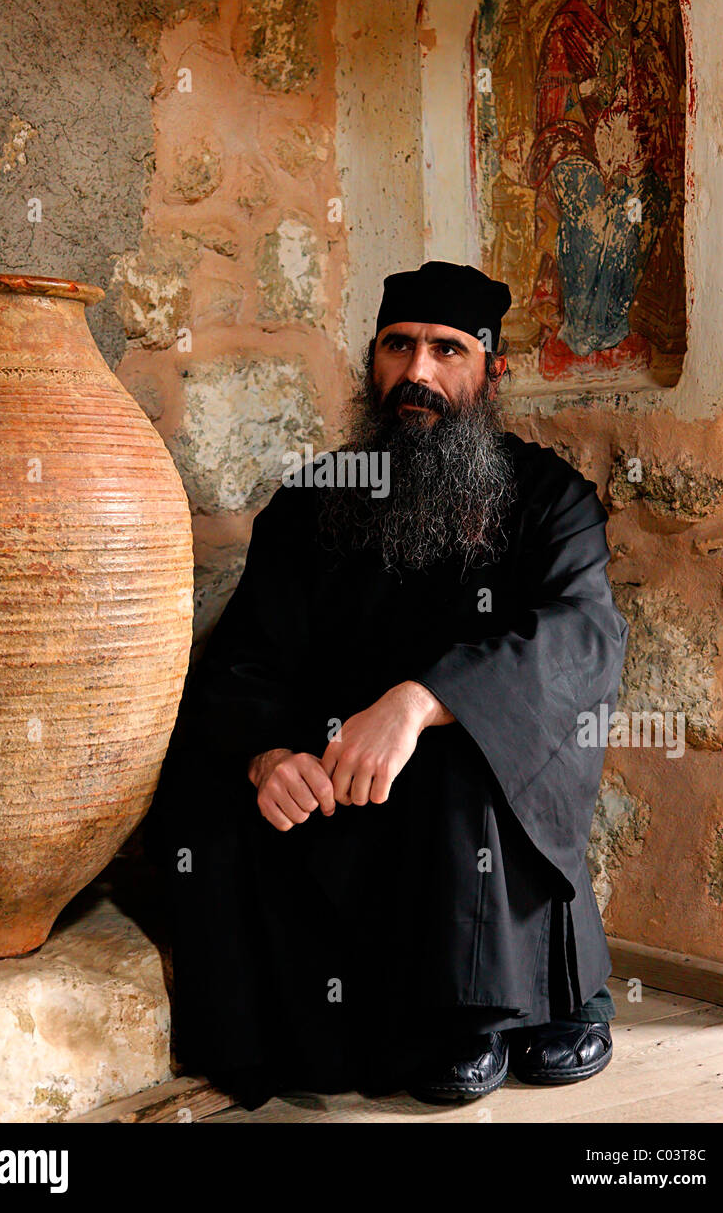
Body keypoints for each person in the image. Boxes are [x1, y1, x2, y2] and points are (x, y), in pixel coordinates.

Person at [147, 260, 628, 1110]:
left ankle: (507, 1005)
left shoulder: (549, 499)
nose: (418, 373)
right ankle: (436, 1012)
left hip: (476, 794)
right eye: (397, 346)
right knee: (212, 803)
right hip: (343, 794)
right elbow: (246, 659)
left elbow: (582, 639)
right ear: (372, 361)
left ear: (492, 371)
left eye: (448, 350)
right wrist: (268, 756)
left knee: (466, 752)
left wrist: (420, 702)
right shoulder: (310, 502)